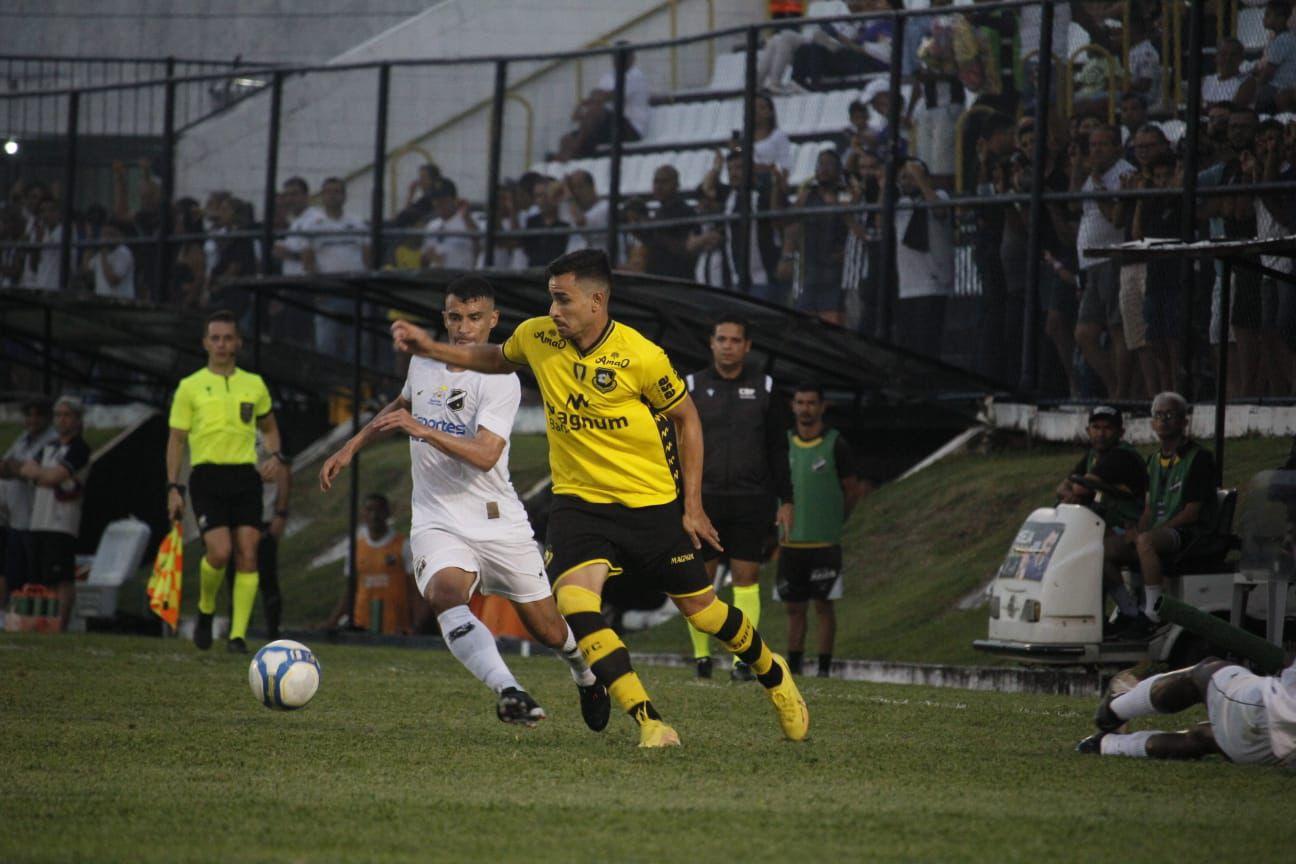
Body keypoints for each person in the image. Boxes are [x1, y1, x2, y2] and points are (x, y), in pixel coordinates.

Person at [389, 249, 809, 747]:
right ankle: (649, 721)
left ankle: (773, 672)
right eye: (551, 299)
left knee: (704, 611)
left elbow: (688, 420)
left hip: (649, 505)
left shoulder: (641, 355)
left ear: (597, 300)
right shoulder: (537, 336)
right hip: (579, 503)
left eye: (563, 300)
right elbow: (493, 357)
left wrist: (691, 506)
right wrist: (431, 348)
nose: (554, 311)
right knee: (574, 603)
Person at [321, 275, 609, 729]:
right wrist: (350, 446)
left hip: (497, 522)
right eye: (455, 317)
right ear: (445, 317)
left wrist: (426, 430)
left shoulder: (500, 379)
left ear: (493, 321)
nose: (464, 327)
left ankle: (585, 673)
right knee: (445, 596)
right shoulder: (423, 363)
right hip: (438, 520)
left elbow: (486, 454)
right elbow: (400, 405)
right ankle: (509, 690)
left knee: (550, 629)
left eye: (475, 318)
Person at [167, 310, 286, 653]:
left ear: (238, 343)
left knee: (249, 553)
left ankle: (237, 636)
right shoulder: (189, 387)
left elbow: (270, 428)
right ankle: (206, 610)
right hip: (206, 477)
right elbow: (176, 439)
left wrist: (275, 458)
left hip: (245, 478)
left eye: (227, 338)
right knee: (220, 553)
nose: (221, 344)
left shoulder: (254, 384)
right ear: (205, 343)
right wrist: (173, 487)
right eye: (215, 338)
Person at [682, 316, 794, 680]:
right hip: (704, 500)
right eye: (722, 339)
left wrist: (786, 499)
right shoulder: (692, 386)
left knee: (747, 577)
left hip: (751, 499)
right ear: (711, 343)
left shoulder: (765, 387)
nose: (728, 345)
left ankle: (742, 659)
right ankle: (702, 658)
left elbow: (779, 448)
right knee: (701, 580)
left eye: (735, 340)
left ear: (747, 346)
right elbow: (676, 444)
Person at [1106, 392, 1216, 637]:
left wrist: (1149, 533)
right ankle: (1129, 610)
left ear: (1184, 422)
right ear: (1152, 423)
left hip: (1188, 534)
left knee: (1145, 542)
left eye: (1171, 415)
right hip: (1159, 532)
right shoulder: (1153, 460)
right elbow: (1148, 509)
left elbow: (1192, 513)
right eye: (1159, 415)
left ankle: (1154, 611)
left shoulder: (1198, 458)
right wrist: (1136, 529)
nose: (1164, 420)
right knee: (1107, 548)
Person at [776, 383, 865, 677]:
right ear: (793, 406)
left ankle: (824, 668)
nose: (805, 408)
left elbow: (852, 489)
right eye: (800, 402)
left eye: (811, 402)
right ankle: (796, 667)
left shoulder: (836, 444)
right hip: (790, 543)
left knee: (824, 606)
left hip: (824, 544)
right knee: (794, 609)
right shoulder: (783, 443)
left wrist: (836, 519)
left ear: (822, 406)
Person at [1076, 657, 1296, 766]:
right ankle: (1106, 745)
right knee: (1207, 739)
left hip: (1265, 710)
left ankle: (1113, 710)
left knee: (1206, 672)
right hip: (1278, 753)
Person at [1072, 124, 1135, 398]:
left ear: (1116, 147)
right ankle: (1113, 385)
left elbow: (1114, 216)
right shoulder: (1092, 174)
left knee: (1117, 327)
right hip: (1090, 263)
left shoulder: (1123, 173)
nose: (1095, 150)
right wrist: (1078, 168)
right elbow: (1074, 205)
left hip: (1113, 256)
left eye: (1102, 144)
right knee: (1084, 333)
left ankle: (1122, 391)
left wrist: (1097, 185)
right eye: (1092, 145)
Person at [17, 396, 91, 631]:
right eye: (58, 415)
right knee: (41, 577)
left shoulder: (79, 449)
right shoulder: (49, 447)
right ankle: (43, 621)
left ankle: (60, 624)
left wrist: (40, 474)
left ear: (78, 420)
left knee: (61, 578)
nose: (61, 420)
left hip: (61, 521)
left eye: (66, 415)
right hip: (39, 518)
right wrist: (41, 474)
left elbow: (53, 477)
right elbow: (26, 469)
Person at [321, 493, 420, 635]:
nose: (374, 515)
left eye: (378, 510)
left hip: (396, 628)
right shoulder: (355, 548)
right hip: (361, 625)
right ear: (363, 513)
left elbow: (415, 591)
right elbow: (350, 590)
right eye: (369, 510)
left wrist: (416, 625)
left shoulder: (403, 546)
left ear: (387, 513)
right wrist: (333, 621)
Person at [300, 177, 370, 357]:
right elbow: (308, 261)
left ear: (345, 196)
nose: (333, 196)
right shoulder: (312, 226)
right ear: (322, 196)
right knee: (325, 345)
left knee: (357, 346)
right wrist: (318, 290)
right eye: (329, 192)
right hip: (328, 293)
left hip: (356, 291)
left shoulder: (357, 223)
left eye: (337, 191)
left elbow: (368, 256)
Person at [0, 399, 56, 602]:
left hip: (36, 519)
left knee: (33, 576)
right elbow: (7, 466)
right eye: (29, 415)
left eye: (37, 415)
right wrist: (15, 468)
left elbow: (28, 471)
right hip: (15, 517)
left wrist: (15, 468)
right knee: (12, 572)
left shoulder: (51, 441)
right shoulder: (23, 439)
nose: (32, 420)